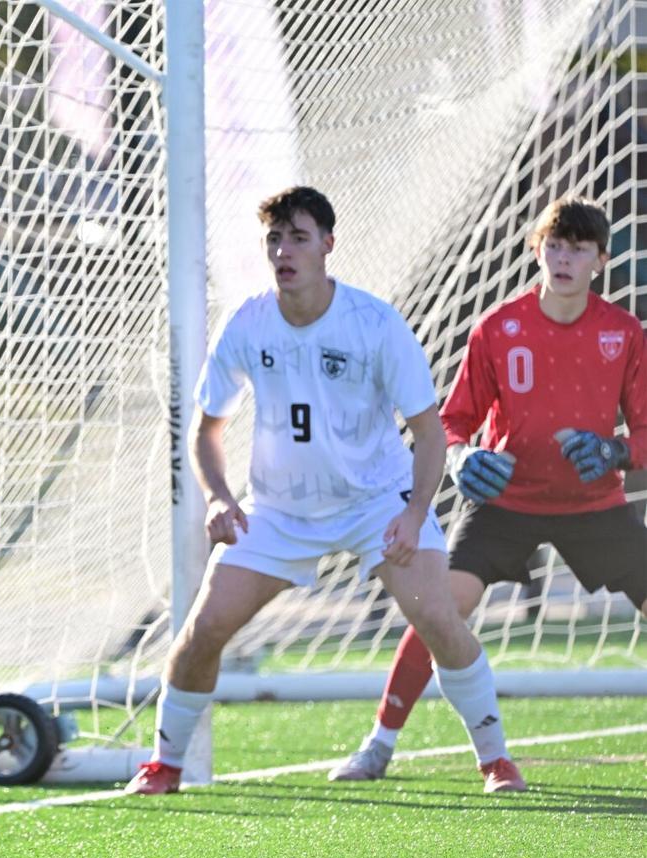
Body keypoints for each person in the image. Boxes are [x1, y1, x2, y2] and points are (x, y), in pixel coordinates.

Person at [125, 186, 526, 798]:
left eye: (299, 238)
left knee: (440, 621)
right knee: (204, 629)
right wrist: (218, 498)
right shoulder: (248, 321)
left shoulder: (374, 323)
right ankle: (164, 766)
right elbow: (205, 429)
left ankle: (496, 760)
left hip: (376, 502)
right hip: (280, 512)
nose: (284, 251)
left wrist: (416, 514)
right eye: (275, 239)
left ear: (328, 246)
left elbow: (427, 431)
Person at [330, 195, 647, 782]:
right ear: (535, 249)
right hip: (507, 503)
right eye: (554, 245)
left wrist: (617, 450)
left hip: (594, 504)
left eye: (578, 249)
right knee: (437, 611)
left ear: (601, 260)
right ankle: (378, 745)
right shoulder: (497, 328)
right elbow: (452, 421)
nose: (563, 258)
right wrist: (460, 457)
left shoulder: (624, 333)